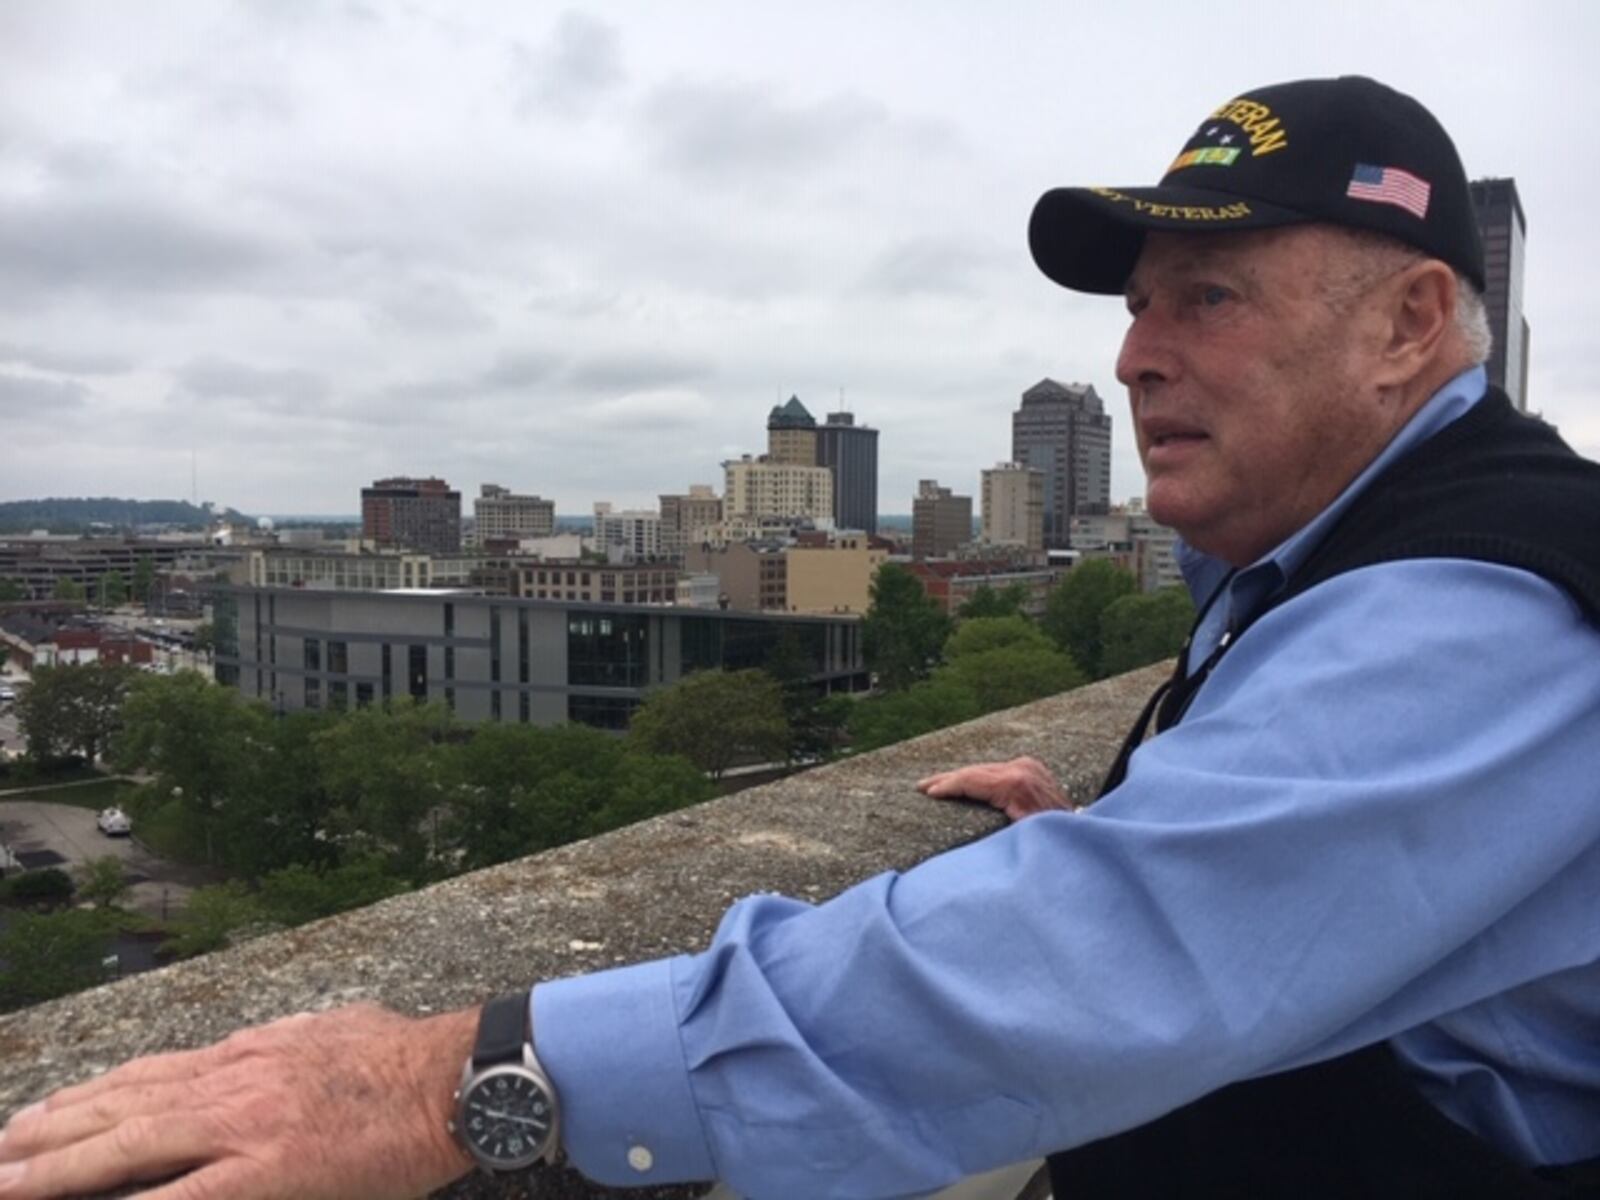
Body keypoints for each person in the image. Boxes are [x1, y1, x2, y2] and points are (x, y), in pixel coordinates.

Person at [2, 74, 1598, 1200]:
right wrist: (1146, 825)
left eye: (1210, 298)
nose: (1132, 357)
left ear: (1406, 327)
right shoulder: (1347, 547)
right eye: (1135, 306)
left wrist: (454, 1075)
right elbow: (1313, 883)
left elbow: (1105, 964)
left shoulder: (1487, 604)